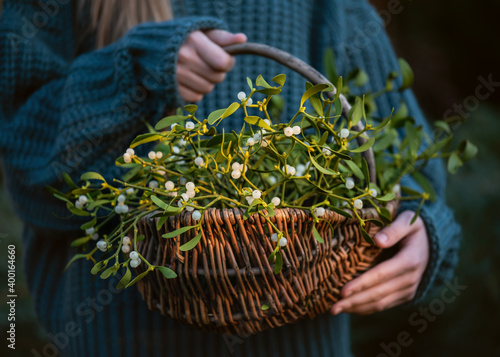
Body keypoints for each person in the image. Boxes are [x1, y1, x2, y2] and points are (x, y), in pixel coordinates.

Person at [0, 0, 460, 356]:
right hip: (119, 339)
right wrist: (133, 76)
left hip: (298, 344)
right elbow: (28, 164)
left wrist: (420, 237)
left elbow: (408, 174)